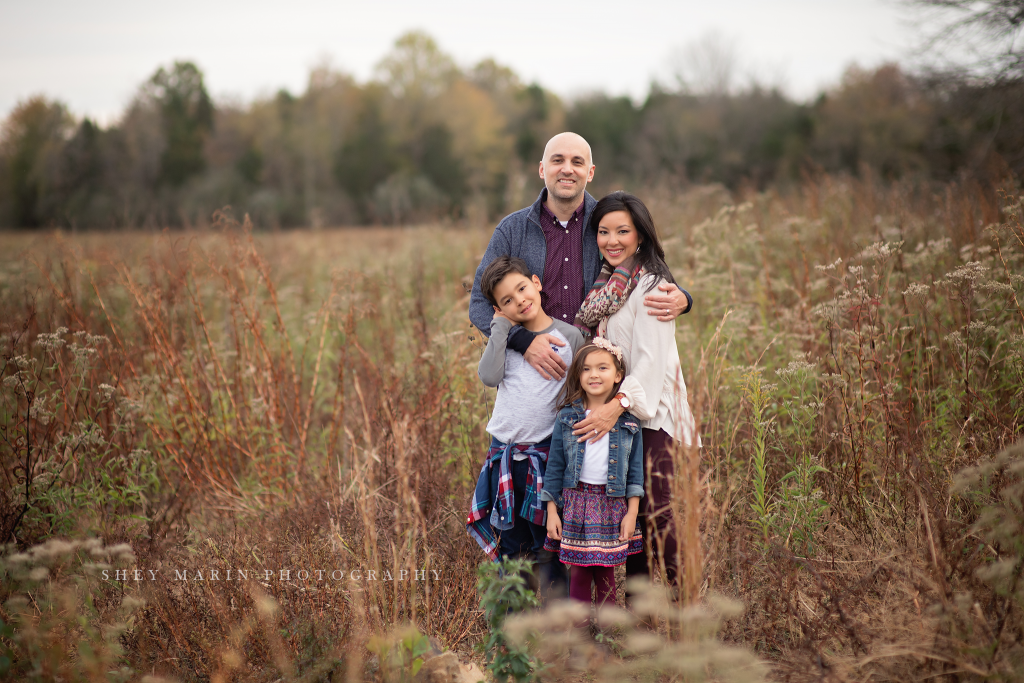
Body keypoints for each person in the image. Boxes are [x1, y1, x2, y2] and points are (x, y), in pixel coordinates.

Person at [468, 132, 692, 445]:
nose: (567, 169)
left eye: (577, 162)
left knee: (590, 488)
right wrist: (523, 340)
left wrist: (683, 297)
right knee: (525, 485)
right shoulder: (513, 230)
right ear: (542, 169)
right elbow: (479, 303)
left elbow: (642, 261)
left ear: (590, 172)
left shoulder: (606, 223)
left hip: (594, 388)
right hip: (532, 388)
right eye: (557, 160)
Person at [573, 191, 699, 588]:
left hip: (656, 417)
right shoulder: (607, 289)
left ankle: (689, 606)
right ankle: (642, 617)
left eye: (623, 231)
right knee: (637, 519)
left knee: (658, 513)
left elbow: (651, 363)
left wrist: (617, 405)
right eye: (604, 231)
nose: (612, 240)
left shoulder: (654, 287)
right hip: (626, 419)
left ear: (640, 236)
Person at [467, 257, 584, 583]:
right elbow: (489, 376)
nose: (519, 300)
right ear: (498, 308)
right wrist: (501, 326)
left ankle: (558, 624)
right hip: (503, 456)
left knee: (549, 546)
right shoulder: (506, 339)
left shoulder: (570, 337)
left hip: (545, 457)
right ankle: (513, 625)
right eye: (507, 300)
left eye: (522, 289)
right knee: (511, 548)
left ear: (536, 282)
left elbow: (578, 396)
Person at [541, 339, 644, 612]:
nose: (594, 375)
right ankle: (579, 638)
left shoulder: (629, 423)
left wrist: (632, 513)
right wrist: (552, 511)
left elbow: (635, 474)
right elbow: (554, 467)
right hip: (576, 503)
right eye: (586, 369)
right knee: (579, 572)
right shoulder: (567, 417)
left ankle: (606, 636)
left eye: (602, 368)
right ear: (578, 375)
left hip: (612, 505)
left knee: (606, 573)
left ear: (618, 375)